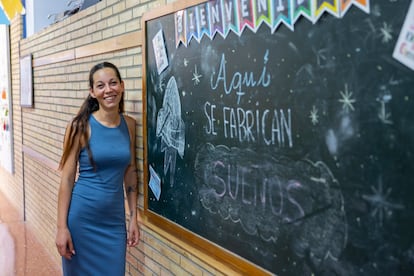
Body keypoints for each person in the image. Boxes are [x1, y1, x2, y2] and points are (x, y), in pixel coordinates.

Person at [55, 61, 140, 275]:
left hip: (114, 223)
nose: (108, 90)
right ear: (92, 92)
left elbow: (130, 173)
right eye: (100, 86)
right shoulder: (79, 127)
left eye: (113, 83)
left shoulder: (129, 125)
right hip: (82, 222)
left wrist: (133, 218)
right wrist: (61, 228)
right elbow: (66, 179)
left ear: (121, 86)